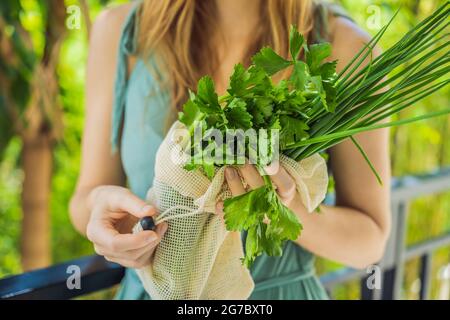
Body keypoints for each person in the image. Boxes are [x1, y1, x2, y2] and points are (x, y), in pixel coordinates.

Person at [70, 0, 391, 299]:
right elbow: (86, 198)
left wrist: (286, 211)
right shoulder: (119, 31)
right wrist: (108, 215)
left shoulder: (347, 49)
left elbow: (370, 240)